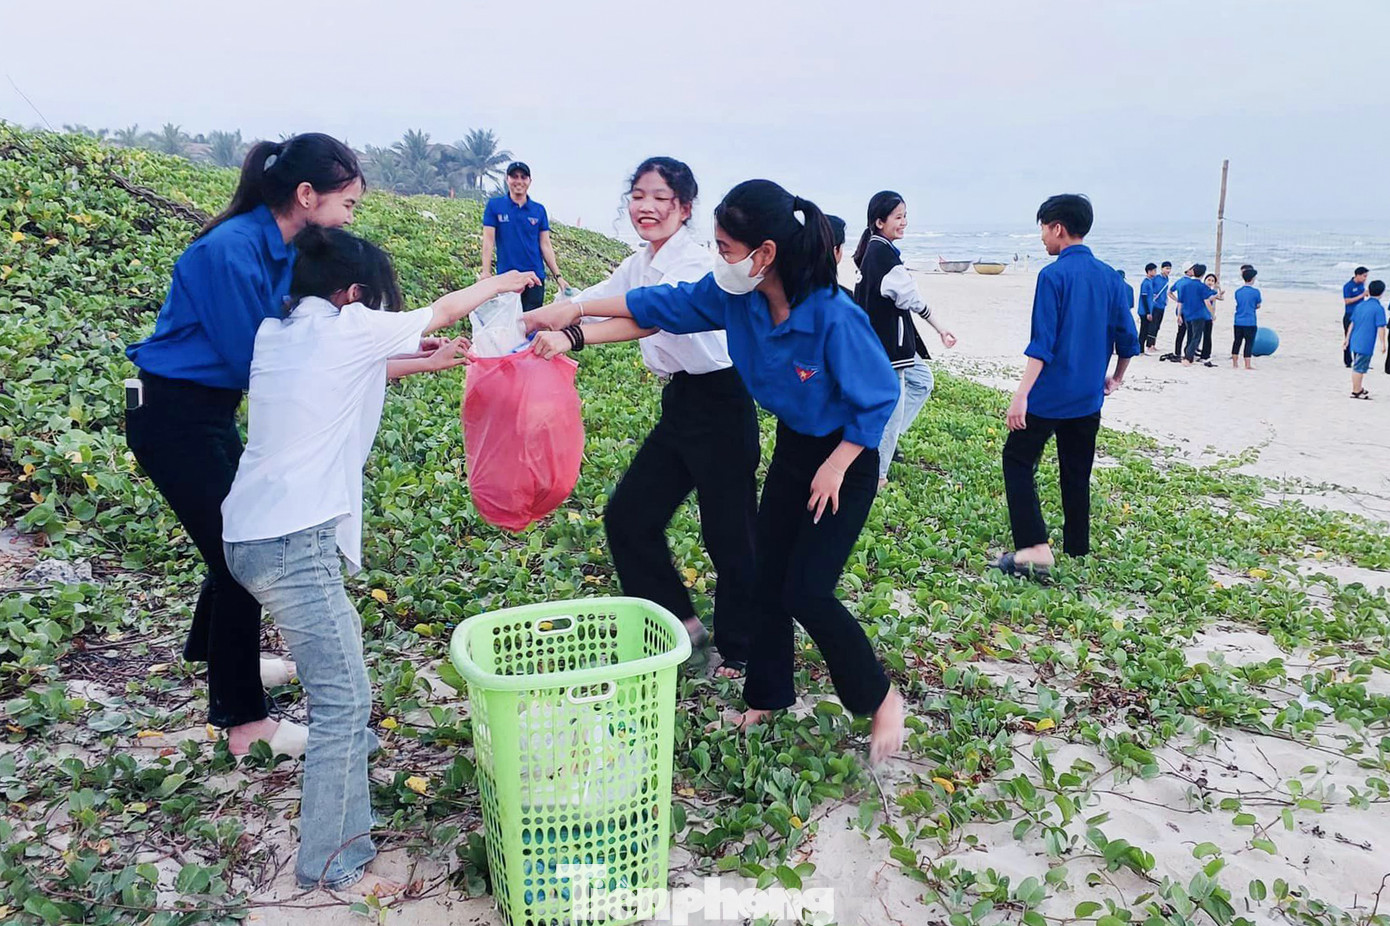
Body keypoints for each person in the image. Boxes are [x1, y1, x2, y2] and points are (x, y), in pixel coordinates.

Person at [525, 179, 907, 764]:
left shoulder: (832, 315)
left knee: (806, 589)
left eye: (726, 247)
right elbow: (657, 305)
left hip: (845, 458)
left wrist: (836, 464)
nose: (719, 256)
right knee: (768, 581)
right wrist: (572, 310)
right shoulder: (736, 298)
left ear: (765, 253)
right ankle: (769, 696)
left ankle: (880, 698)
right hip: (795, 449)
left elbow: (879, 397)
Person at [222, 225, 538, 893]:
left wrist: (426, 361)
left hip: (247, 534)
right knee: (343, 697)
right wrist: (507, 282)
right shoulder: (348, 326)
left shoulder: (278, 330)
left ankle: (345, 772)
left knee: (341, 662)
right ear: (355, 292)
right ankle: (332, 858)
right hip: (294, 541)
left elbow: (357, 368)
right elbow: (447, 308)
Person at [125, 133, 373, 757]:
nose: (349, 218)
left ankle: (212, 652)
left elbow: (304, 334)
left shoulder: (285, 247)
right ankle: (242, 722)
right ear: (306, 194)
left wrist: (390, 356)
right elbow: (259, 359)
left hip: (207, 412)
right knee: (239, 553)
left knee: (237, 532)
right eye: (347, 204)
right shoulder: (230, 251)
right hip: (171, 415)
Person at [566, 157, 757, 679]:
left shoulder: (695, 262)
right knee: (628, 516)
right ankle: (682, 626)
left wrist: (571, 327)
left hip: (721, 401)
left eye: (659, 198)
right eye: (638, 196)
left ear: (684, 208)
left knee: (730, 535)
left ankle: (742, 650)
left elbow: (647, 316)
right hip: (680, 404)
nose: (645, 207)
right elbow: (596, 298)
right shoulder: (640, 261)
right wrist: (532, 317)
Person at [993, 194, 1139, 579]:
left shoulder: (1053, 276)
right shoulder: (1112, 278)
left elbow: (1042, 344)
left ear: (1057, 227)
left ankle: (1034, 548)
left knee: (1017, 461)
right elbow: (1128, 340)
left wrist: (1021, 394)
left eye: (1043, 228)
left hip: (1048, 395)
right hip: (1088, 397)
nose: (1042, 237)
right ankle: (1077, 548)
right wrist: (1116, 378)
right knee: (1076, 471)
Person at [850, 191, 957, 487]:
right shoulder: (882, 254)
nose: (904, 223)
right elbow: (911, 299)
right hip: (889, 347)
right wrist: (940, 327)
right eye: (898, 217)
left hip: (889, 345)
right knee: (892, 413)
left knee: (923, 381)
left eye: (905, 216)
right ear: (880, 221)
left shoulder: (876, 250)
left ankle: (883, 444)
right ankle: (878, 473)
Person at [481, 161, 567, 310]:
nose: (519, 181)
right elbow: (488, 241)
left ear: (529, 181)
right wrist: (486, 272)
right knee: (507, 324)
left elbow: (545, 245)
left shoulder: (538, 210)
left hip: (535, 278)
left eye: (523, 177)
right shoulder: (495, 206)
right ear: (507, 179)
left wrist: (558, 276)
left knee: (530, 325)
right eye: (514, 177)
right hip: (507, 278)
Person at [1344, 279, 1386, 398]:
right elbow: (1381, 327)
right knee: (1359, 368)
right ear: (1382, 293)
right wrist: (1383, 344)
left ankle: (1358, 388)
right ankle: (1356, 390)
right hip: (1365, 342)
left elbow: (1352, 323)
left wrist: (1347, 339)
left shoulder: (1360, 305)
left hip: (1355, 339)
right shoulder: (1378, 309)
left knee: (1358, 365)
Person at [1177, 264, 1218, 366]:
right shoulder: (1202, 286)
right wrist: (1212, 314)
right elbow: (1207, 302)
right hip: (1198, 315)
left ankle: (1187, 355)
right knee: (1196, 337)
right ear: (1203, 274)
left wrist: (1179, 315)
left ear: (1193, 272)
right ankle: (1187, 358)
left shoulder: (1185, 285)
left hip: (1186, 314)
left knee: (1190, 336)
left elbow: (1180, 302)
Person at [1231, 266, 1261, 369]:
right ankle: (1247, 364)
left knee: (1237, 341)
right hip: (1250, 321)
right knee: (1249, 343)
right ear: (1252, 279)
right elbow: (1258, 305)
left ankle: (1235, 363)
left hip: (1238, 320)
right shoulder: (1256, 292)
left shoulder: (1238, 291)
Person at [1168, 264, 1197, 361]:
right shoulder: (1190, 283)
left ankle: (1177, 352)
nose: (1193, 270)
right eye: (1192, 269)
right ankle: (1187, 353)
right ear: (1188, 270)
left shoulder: (1180, 281)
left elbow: (1169, 292)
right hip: (1188, 310)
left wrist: (1177, 300)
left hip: (1180, 309)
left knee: (1181, 332)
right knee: (1190, 332)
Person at [1343, 267, 1369, 368]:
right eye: (1364, 276)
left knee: (1360, 338)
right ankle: (1348, 361)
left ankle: (1358, 361)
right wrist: (1361, 295)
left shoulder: (1361, 285)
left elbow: (1362, 297)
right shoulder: (1348, 286)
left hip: (1360, 314)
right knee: (1349, 338)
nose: (1365, 278)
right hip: (1350, 314)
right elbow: (1347, 301)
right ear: (1357, 275)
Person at [1147, 260, 1172, 353]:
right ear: (1162, 269)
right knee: (1153, 325)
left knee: (1158, 325)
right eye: (1166, 268)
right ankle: (1149, 345)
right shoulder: (1156, 278)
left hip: (1162, 305)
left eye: (1169, 268)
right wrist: (1152, 295)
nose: (1168, 270)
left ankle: (1153, 344)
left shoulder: (1167, 279)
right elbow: (1149, 287)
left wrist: (1166, 299)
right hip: (1155, 305)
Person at [1200, 272, 1224, 363]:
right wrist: (1213, 314)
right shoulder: (1203, 289)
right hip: (1202, 315)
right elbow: (1208, 299)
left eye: (1212, 281)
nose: (1210, 282)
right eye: (1209, 280)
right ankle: (1202, 354)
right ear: (1205, 280)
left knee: (1207, 336)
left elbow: (1221, 298)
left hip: (1207, 317)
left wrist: (1219, 290)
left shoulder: (1212, 291)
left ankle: (1206, 354)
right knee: (1198, 336)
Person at [1137, 263, 1157, 348]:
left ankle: (1141, 348)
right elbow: (1144, 298)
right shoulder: (1145, 283)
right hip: (1144, 310)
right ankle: (1140, 349)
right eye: (1154, 271)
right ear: (1149, 271)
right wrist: (1148, 312)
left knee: (1146, 330)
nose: (1156, 272)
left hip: (1148, 309)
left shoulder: (1150, 282)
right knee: (1144, 330)